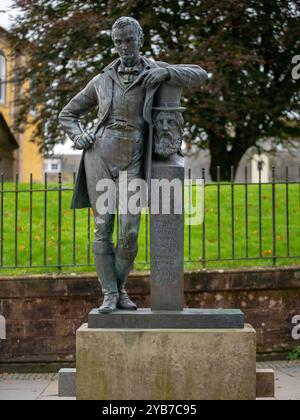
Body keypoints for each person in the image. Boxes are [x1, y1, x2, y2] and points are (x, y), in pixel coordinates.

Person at [59, 16, 207, 313]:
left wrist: (165, 73)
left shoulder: (154, 70)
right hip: (100, 155)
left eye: (128, 40)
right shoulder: (101, 79)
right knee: (103, 227)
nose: (124, 47)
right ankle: (112, 294)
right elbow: (68, 113)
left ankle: (116, 288)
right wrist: (79, 136)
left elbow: (200, 74)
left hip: (135, 156)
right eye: (118, 42)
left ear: (140, 40)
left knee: (130, 231)